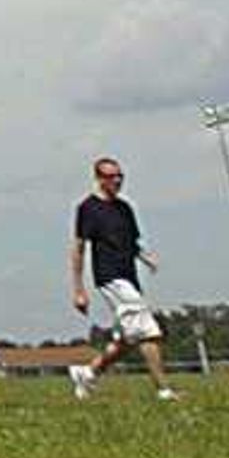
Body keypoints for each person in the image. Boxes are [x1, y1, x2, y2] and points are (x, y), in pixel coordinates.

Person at [70, 157, 175, 400]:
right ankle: (164, 390)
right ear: (98, 178)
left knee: (126, 341)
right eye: (110, 176)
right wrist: (79, 290)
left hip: (129, 276)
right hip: (110, 277)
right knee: (148, 332)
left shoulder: (125, 209)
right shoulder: (88, 208)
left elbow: (130, 243)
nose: (116, 180)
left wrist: (145, 257)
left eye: (120, 176)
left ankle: (88, 373)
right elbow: (78, 248)